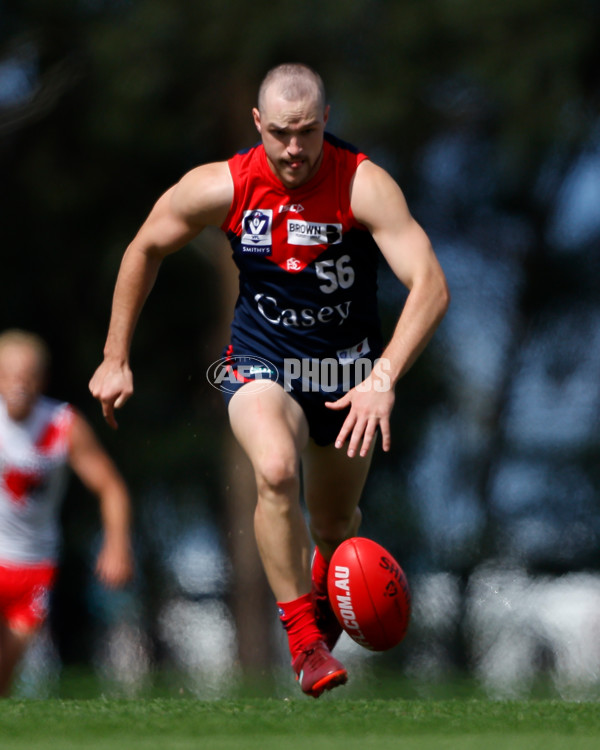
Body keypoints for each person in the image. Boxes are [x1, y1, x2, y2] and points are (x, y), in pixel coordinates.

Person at [89, 63, 449, 697]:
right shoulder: (222, 185)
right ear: (258, 124)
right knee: (277, 470)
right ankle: (304, 644)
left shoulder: (362, 184)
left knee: (336, 531)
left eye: (307, 132)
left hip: (347, 376)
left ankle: (317, 598)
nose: (293, 148)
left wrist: (383, 376)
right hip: (263, 365)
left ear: (325, 122)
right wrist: (116, 355)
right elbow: (144, 246)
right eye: (281, 132)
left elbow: (431, 285)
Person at [0, 329, 134, 696]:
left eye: (27, 374)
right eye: (9, 374)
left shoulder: (63, 424)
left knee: (5, 672)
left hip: (36, 564)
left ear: (42, 379)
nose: (18, 383)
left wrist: (117, 545)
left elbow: (111, 488)